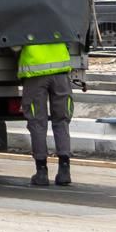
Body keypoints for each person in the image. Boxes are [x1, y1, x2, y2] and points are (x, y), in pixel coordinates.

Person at [18, 34, 76, 186]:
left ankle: (41, 172)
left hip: (35, 76)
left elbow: (14, 45)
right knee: (62, 121)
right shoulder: (55, 14)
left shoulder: (24, 19)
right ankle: (64, 171)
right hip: (61, 74)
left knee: (37, 123)